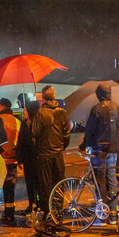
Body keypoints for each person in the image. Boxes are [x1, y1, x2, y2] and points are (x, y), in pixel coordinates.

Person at [30, 85, 70, 215]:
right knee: (58, 182)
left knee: (45, 184)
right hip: (58, 153)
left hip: (44, 154)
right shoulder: (62, 112)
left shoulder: (41, 113)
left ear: (43, 97)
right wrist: (61, 147)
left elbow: (34, 132)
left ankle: (48, 212)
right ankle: (58, 209)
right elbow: (66, 134)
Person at [0, 98, 20, 226]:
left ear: (2, 106)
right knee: (9, 189)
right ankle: (9, 215)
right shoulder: (17, 122)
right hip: (12, 160)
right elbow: (20, 142)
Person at [15, 97, 40, 214]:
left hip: (38, 158)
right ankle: (32, 203)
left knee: (38, 183)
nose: (24, 112)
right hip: (29, 159)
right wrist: (20, 159)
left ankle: (38, 203)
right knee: (30, 183)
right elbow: (20, 142)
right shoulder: (24, 123)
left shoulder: (38, 123)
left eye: (26, 110)